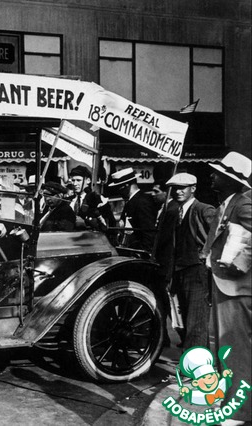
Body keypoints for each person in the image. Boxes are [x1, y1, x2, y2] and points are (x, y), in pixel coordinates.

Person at [202, 151, 251, 425]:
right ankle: (232, 401)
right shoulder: (230, 203)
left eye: (217, 173)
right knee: (225, 347)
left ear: (231, 180)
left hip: (236, 288)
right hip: (224, 284)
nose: (212, 176)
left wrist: (238, 264)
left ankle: (238, 411)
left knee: (235, 347)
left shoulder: (243, 204)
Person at [154, 173, 215, 350]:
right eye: (175, 188)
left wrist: (205, 255)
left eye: (183, 188)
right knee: (189, 319)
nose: (178, 192)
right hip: (180, 269)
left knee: (196, 320)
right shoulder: (175, 212)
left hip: (197, 270)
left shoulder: (204, 209)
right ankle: (201, 360)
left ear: (193, 189)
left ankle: (194, 363)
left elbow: (218, 236)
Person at [107, 167, 157, 251]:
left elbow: (148, 232)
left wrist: (142, 253)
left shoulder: (142, 202)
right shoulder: (131, 202)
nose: (118, 192)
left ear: (126, 186)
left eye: (119, 188)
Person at [68, 165, 116, 231]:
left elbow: (109, 224)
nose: (75, 184)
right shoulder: (69, 200)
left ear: (88, 180)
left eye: (78, 180)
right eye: (73, 180)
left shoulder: (96, 198)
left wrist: (86, 222)